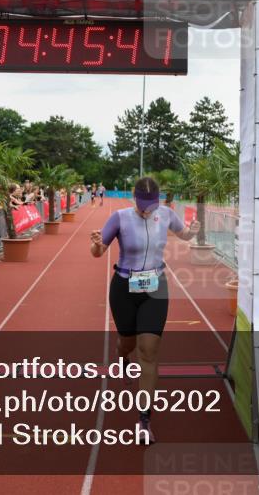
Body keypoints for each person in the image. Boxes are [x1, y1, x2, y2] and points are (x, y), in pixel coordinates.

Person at [89, 177, 200, 443]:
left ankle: (144, 419)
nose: (147, 210)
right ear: (133, 197)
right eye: (142, 205)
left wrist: (192, 231)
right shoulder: (120, 218)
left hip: (155, 287)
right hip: (124, 287)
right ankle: (121, 355)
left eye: (151, 205)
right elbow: (98, 252)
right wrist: (95, 243)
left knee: (148, 350)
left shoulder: (166, 214)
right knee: (128, 343)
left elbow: (182, 233)